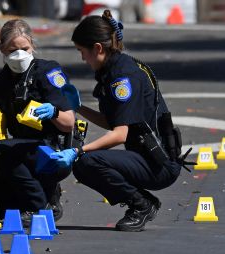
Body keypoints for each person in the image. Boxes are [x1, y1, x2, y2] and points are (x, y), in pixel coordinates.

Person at [51, 10, 186, 232]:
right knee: (86, 162)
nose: (82, 58)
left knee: (86, 163)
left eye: (82, 51)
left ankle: (141, 205)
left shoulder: (123, 77)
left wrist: (78, 151)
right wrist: (78, 107)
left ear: (98, 48)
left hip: (159, 164)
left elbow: (119, 135)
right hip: (147, 157)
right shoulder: (114, 69)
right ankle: (142, 202)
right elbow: (113, 122)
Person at [0, 19, 76, 226]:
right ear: (2, 49)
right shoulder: (0, 83)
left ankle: (38, 205)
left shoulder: (47, 72)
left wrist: (53, 112)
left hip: (50, 152)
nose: (19, 55)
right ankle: (41, 193)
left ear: (32, 44)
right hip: (17, 155)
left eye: (24, 48)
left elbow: (69, 123)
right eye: (12, 50)